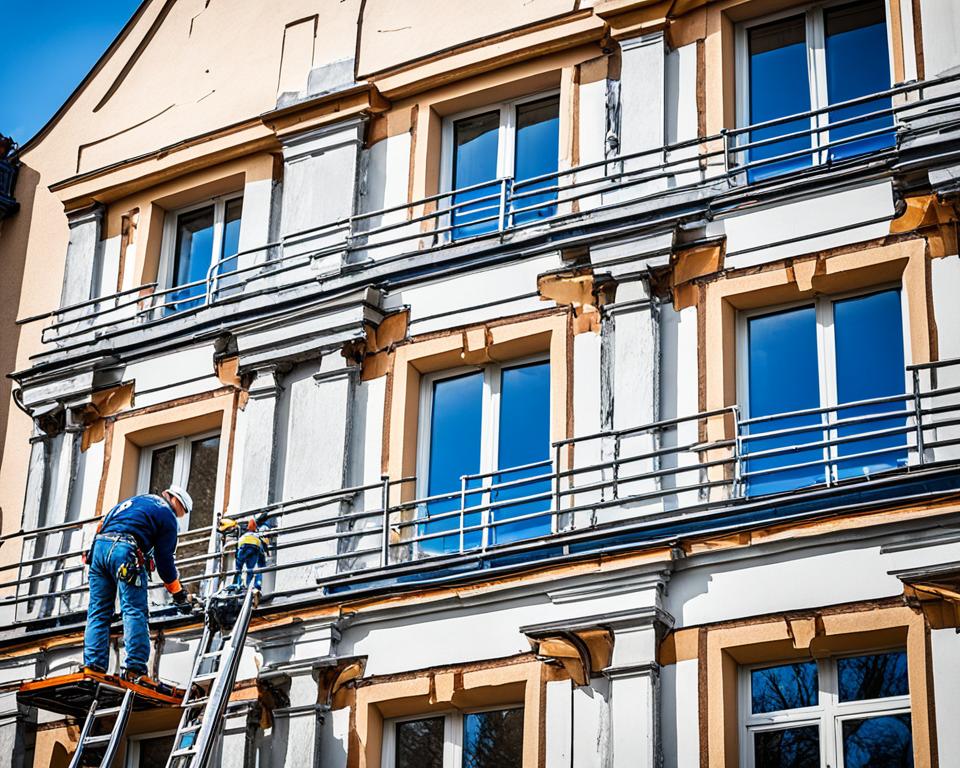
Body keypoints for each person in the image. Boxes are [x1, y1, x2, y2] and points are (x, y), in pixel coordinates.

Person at [83, 486, 196, 684]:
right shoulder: (167, 515)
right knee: (134, 610)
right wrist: (178, 593)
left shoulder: (138, 502)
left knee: (98, 611)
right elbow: (165, 561)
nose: (179, 517)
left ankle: (93, 667)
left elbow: (102, 525)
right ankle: (135, 669)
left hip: (98, 549)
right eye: (181, 513)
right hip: (125, 551)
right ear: (177, 502)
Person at [218, 511, 273, 594]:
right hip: (255, 546)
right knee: (253, 568)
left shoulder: (243, 530)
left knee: (239, 568)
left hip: (244, 545)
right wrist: (266, 556)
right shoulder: (258, 532)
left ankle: (238, 585)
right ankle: (253, 586)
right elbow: (263, 546)